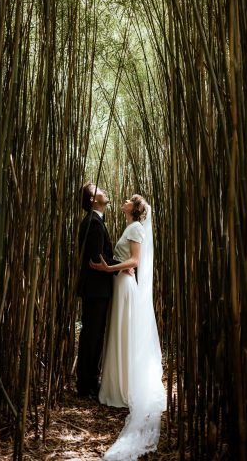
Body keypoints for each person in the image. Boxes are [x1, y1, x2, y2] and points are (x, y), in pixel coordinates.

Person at [90, 194, 166, 460]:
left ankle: (123, 388)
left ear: (134, 208)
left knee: (123, 335)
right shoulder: (129, 226)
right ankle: (118, 384)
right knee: (119, 334)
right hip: (120, 284)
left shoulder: (134, 228)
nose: (123, 201)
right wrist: (111, 269)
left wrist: (107, 269)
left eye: (129, 200)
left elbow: (135, 262)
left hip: (123, 284)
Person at [76, 181, 122, 398]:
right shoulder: (93, 223)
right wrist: (123, 267)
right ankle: (87, 386)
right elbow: (97, 259)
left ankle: (88, 382)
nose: (104, 191)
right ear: (94, 200)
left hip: (96, 289)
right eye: (99, 190)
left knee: (92, 335)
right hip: (95, 290)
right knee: (92, 337)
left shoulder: (95, 221)